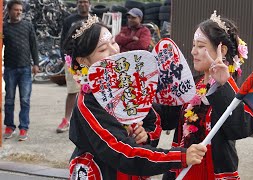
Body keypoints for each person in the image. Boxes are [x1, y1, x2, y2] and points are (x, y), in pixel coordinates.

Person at [62, 15, 207, 179]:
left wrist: (144, 135)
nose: (114, 51)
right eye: (103, 49)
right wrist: (179, 157)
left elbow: (154, 118)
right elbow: (121, 152)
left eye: (113, 42)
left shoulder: (125, 80)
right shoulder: (88, 102)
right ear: (83, 61)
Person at [160, 11, 253, 179]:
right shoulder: (190, 84)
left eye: (200, 46)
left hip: (214, 173)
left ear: (222, 49)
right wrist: (164, 89)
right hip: (183, 170)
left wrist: (222, 84)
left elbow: (239, 129)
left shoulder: (232, 90)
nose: (193, 52)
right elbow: (168, 122)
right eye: (193, 45)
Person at [3, 0, 40, 141]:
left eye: (20, 10)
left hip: (25, 69)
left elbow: (34, 45)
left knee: (25, 100)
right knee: (9, 99)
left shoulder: (27, 25)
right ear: (9, 10)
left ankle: (23, 128)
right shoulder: (4, 28)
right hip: (10, 69)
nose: (18, 12)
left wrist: (36, 64)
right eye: (16, 10)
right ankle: (9, 126)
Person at [56, 0, 91, 133]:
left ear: (89, 4)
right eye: (80, 2)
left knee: (90, 92)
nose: (83, 4)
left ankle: (88, 121)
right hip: (73, 60)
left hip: (89, 60)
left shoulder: (94, 20)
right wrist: (65, 58)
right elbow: (63, 40)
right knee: (72, 91)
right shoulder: (69, 20)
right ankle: (66, 119)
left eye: (86, 2)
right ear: (77, 4)